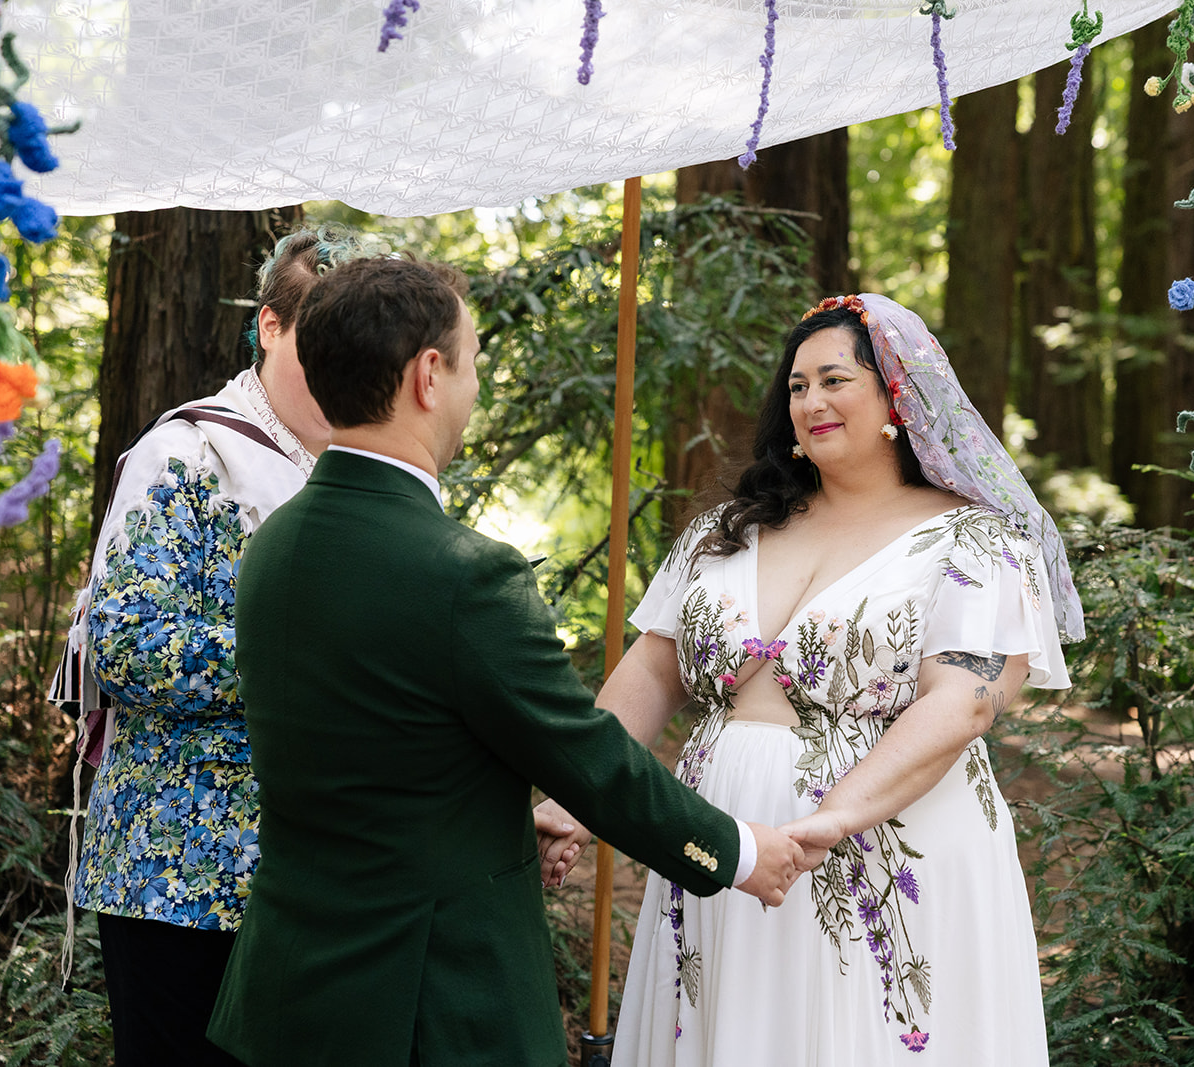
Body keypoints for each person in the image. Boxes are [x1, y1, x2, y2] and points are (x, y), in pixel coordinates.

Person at [205, 256, 805, 1067]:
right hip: (429, 1007)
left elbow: (374, 758)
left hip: (287, 998)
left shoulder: (273, 543)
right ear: (428, 376)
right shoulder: (462, 572)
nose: (475, 389)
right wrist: (735, 851)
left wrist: (493, 817)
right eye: (473, 363)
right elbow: (593, 762)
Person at [537, 293, 1085, 1066]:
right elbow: (653, 669)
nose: (811, 402)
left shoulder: (973, 540)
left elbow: (963, 702)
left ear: (898, 393)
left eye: (835, 379)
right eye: (796, 387)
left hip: (877, 847)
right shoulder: (725, 532)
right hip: (719, 845)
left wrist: (829, 819)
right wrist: (578, 793)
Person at [50, 225, 374, 1067]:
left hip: (317, 874)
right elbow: (126, 642)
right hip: (179, 875)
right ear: (270, 326)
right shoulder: (187, 453)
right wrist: (307, 664)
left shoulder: (368, 472)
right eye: (321, 333)